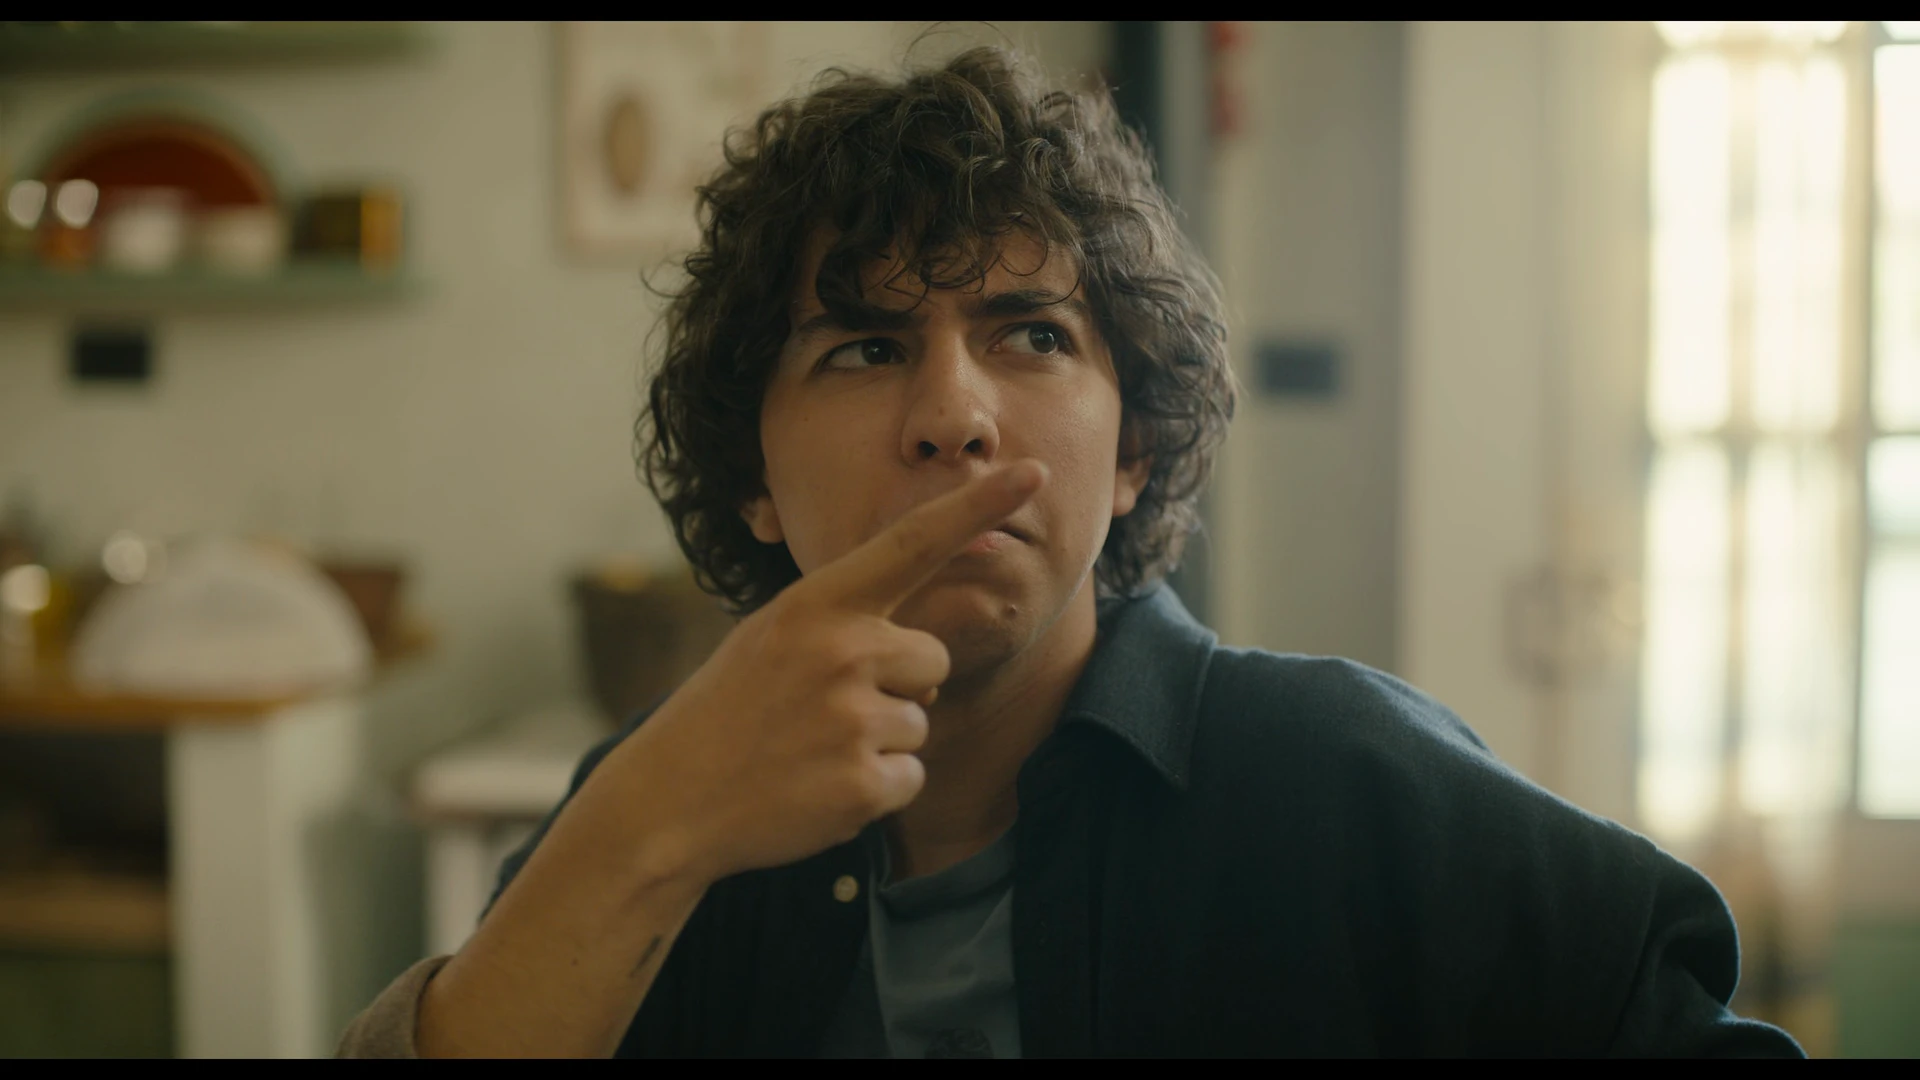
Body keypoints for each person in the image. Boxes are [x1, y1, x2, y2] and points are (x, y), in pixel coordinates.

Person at [340, 44, 1804, 1058]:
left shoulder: (1345, 785)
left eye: (1032, 335)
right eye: (863, 347)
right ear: (753, 482)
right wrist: (644, 830)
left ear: (1136, 448)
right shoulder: (652, 814)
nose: (953, 417)